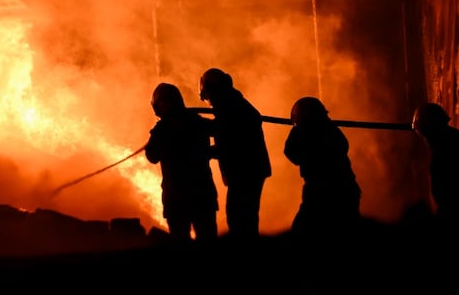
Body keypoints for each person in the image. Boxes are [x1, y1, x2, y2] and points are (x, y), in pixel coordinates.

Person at [198, 68, 272, 238]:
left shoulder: (232, 108)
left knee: (239, 219)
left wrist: (196, 126)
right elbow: (224, 133)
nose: (209, 101)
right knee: (243, 218)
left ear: (213, 90)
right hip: (249, 170)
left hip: (245, 171)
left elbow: (227, 137)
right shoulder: (234, 104)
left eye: (208, 96)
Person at [144, 82, 219, 243]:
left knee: (180, 244)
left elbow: (152, 156)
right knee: (208, 242)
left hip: (176, 198)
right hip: (202, 192)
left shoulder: (162, 130)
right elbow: (223, 131)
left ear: (159, 105)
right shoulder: (197, 122)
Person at [283, 96, 362, 235]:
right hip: (344, 189)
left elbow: (291, 153)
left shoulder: (318, 132)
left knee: (304, 230)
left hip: (322, 191)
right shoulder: (330, 129)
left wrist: (297, 129)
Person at [411, 103, 459, 234]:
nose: (425, 140)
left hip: (455, 216)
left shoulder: (444, 149)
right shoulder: (451, 139)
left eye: (424, 134)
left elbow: (443, 192)